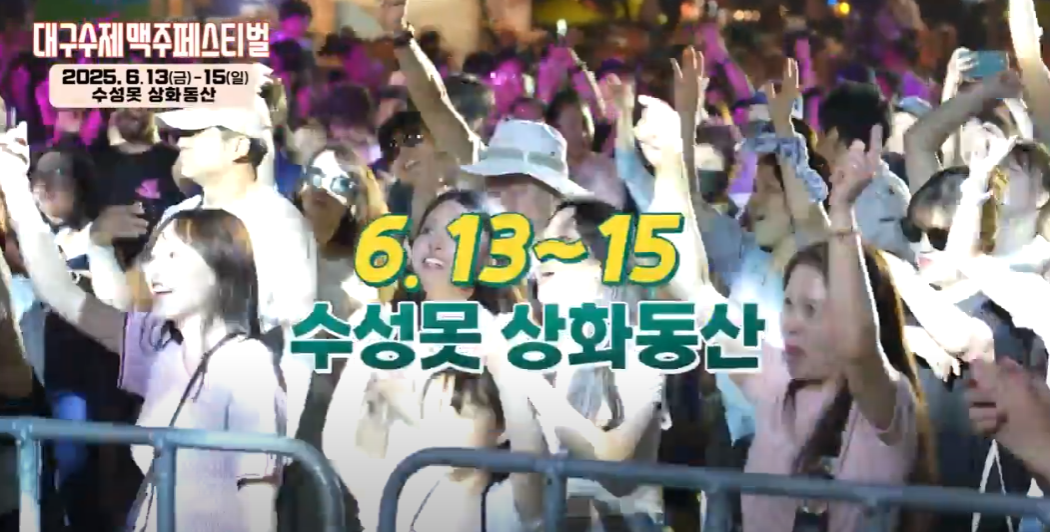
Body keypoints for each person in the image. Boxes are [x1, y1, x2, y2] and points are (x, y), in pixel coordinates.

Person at [0, 123, 284, 532]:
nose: (155, 272)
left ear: (221, 271)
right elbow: (62, 293)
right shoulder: (158, 342)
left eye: (174, 257)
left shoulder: (248, 365)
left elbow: (258, 506)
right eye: (154, 256)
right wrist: (14, 185)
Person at [85, 102, 317, 448]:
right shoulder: (180, 215)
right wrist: (99, 248)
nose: (181, 141)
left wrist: (276, 445)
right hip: (174, 418)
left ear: (238, 146)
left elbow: (292, 338)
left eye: (195, 133)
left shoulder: (280, 223)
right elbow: (130, 303)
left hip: (243, 433)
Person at [323, 190, 538, 532]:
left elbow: (463, 451)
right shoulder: (386, 326)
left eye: (456, 235)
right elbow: (337, 442)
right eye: (428, 230)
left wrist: (403, 402)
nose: (435, 243)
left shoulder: (502, 338)